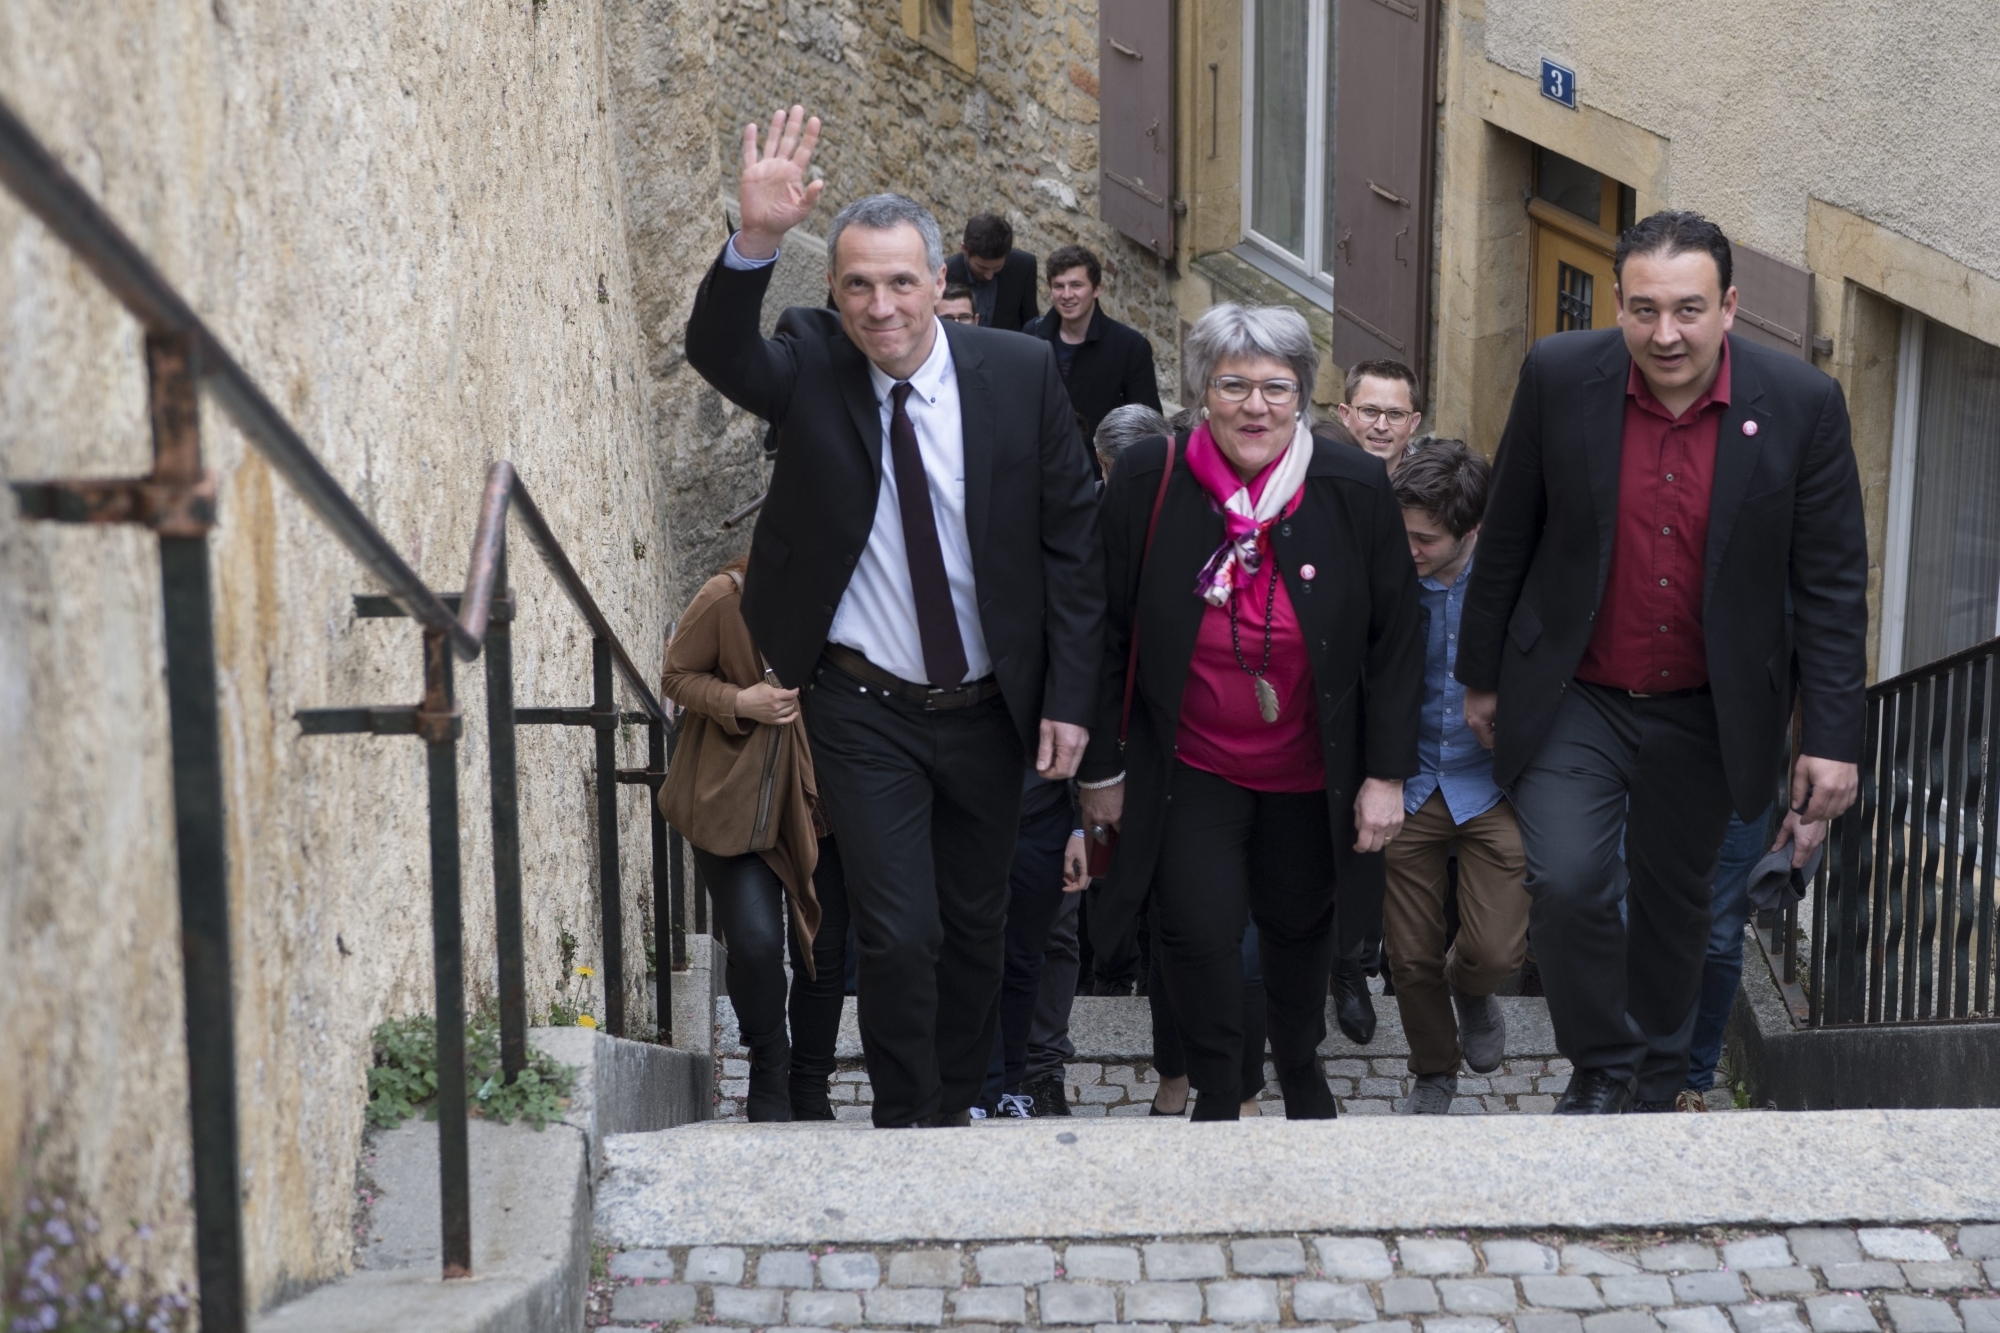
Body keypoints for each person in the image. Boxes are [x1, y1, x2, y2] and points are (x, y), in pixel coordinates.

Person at [685, 107, 1104, 1128]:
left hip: (989, 704)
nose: (880, 308)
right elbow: (718, 352)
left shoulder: (1018, 375)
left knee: (977, 923)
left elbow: (1072, 549)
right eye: (859, 285)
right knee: (898, 929)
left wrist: (1068, 701)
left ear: (940, 286)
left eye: (901, 282)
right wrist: (754, 242)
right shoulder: (812, 362)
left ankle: (953, 1110)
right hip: (858, 702)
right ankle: (907, 1124)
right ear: (833, 293)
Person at [1457, 210, 1869, 1114]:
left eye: (1687, 309)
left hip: (1710, 705)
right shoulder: (1560, 377)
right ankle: (1601, 1062)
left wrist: (1832, 737)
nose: (1665, 333)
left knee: (1679, 905)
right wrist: (1480, 673)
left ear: (1729, 304)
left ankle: (1650, 1084)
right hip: (1577, 693)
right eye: (1643, 310)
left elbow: (1833, 585)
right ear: (1617, 303)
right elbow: (1509, 534)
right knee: (1567, 882)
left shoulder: (1801, 405)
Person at [1077, 302, 1424, 1121]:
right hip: (1191, 763)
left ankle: (1301, 1063)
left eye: (1277, 386)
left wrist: (1385, 774)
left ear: (1303, 395)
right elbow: (1105, 629)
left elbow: (1396, 639)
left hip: (1311, 769)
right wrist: (1102, 768)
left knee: (1300, 931)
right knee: (1196, 933)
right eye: (1234, 385)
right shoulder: (1148, 480)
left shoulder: (1354, 486)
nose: (1256, 405)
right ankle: (1221, 1085)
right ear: (1202, 392)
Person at [658, 558, 847, 1121]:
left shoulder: (854, 605)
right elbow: (675, 677)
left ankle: (811, 1085)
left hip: (824, 804)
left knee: (824, 953)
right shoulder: (726, 597)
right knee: (757, 944)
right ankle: (770, 1061)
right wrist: (741, 702)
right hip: (734, 802)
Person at [1379, 439, 1529, 1115]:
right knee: (1408, 958)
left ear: (1469, 532)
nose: (1408, 547)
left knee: (1495, 951)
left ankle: (1472, 991)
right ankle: (1433, 1070)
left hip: (1491, 785)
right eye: (1402, 531)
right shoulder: (1385, 568)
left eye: (1425, 539)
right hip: (1404, 783)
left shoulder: (1512, 579)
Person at [1025, 245, 1163, 449]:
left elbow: (1148, 427)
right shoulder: (1031, 335)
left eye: (1076, 285)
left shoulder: (1130, 347)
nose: (1067, 294)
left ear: (1097, 289)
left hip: (1100, 472)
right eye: (1058, 286)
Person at [944, 212, 1040, 331]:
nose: (989, 276)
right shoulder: (943, 275)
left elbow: (1029, 322)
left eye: (997, 268)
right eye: (982, 267)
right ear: (964, 249)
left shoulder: (1024, 266)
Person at [1335, 359, 1426, 473]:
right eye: (1370, 411)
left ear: (1413, 422)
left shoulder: (1437, 486)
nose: (1381, 426)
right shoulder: (1320, 475)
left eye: (1395, 413)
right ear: (1346, 414)